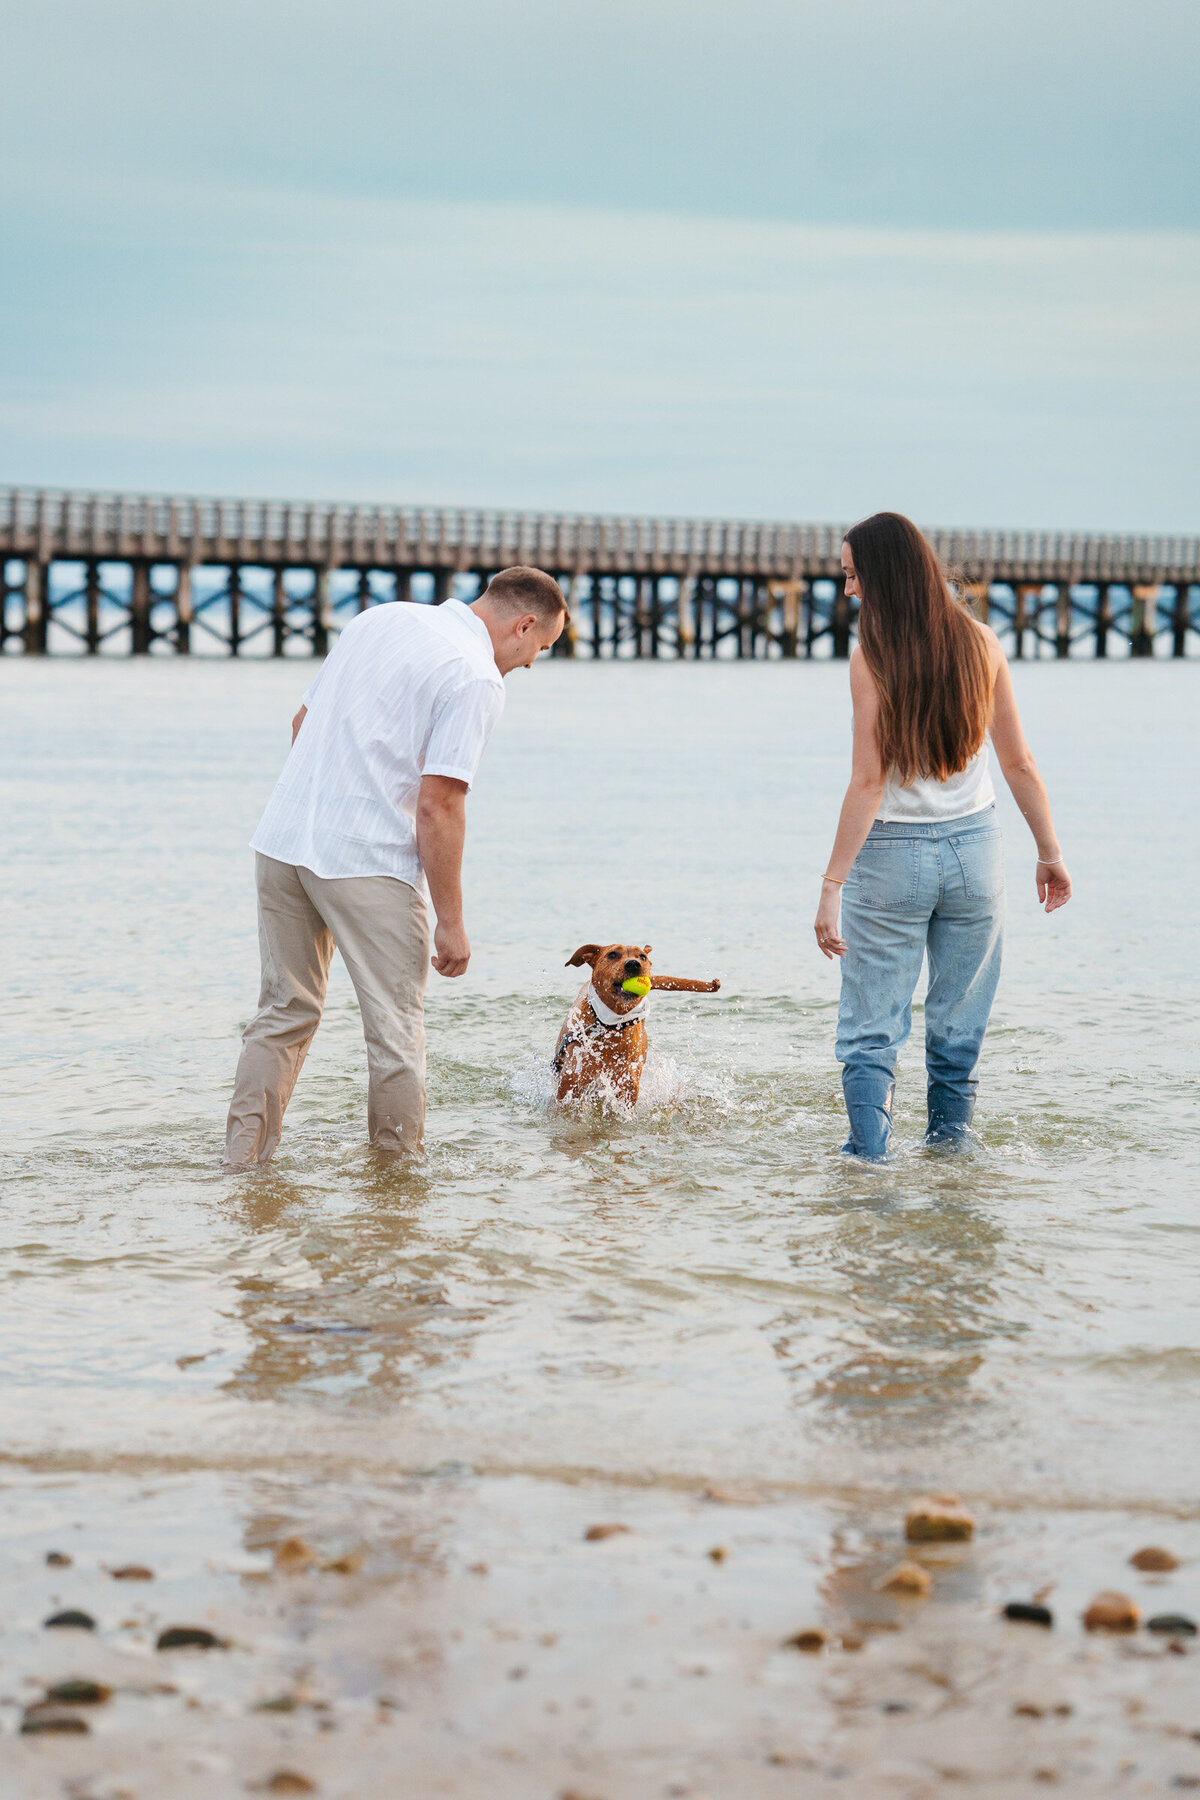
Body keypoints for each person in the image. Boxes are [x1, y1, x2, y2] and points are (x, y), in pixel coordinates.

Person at [223, 566, 568, 1170]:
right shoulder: (476, 677)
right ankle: (397, 1184)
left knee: (282, 1014)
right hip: (368, 860)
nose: (533, 663)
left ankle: (241, 1167)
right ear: (525, 625)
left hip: (283, 840)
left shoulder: (379, 619)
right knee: (395, 1031)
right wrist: (451, 923)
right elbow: (440, 805)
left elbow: (302, 724)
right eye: (540, 648)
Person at [813, 512, 1071, 1160]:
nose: (848, 589)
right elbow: (1018, 762)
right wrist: (1050, 852)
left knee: (872, 1032)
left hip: (891, 856)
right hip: (975, 853)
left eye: (853, 575)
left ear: (886, 576)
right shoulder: (983, 643)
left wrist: (831, 884)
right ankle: (951, 1166)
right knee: (959, 1027)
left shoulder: (871, 658)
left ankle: (868, 1165)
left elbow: (868, 782)